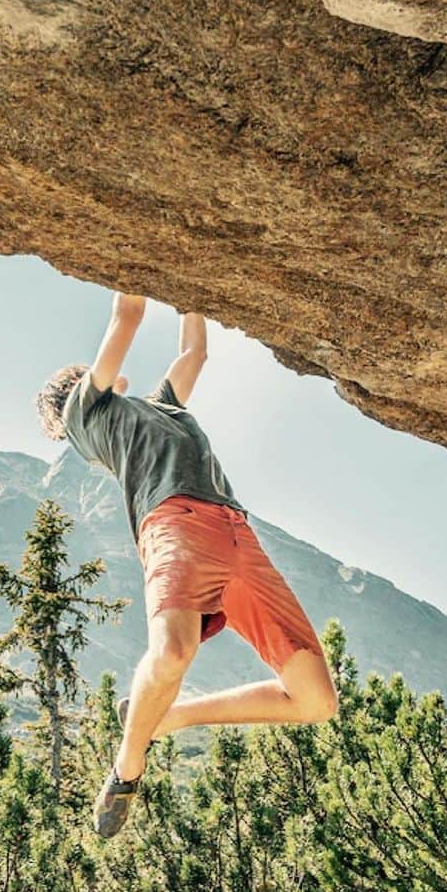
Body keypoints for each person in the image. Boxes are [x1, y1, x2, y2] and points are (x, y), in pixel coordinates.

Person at [36, 293, 338, 837]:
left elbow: (194, 352)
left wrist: (189, 290)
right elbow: (126, 314)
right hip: (172, 523)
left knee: (315, 700)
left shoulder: (165, 406)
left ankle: (167, 717)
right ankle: (128, 767)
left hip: (235, 531)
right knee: (175, 649)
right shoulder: (85, 414)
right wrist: (146, 256)